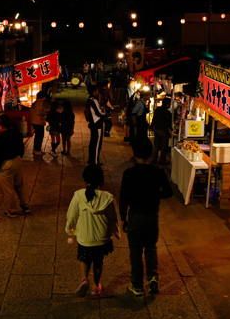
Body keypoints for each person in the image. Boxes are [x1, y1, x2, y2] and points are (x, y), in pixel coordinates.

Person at [120, 137, 173, 296]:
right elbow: (169, 192)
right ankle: (152, 279)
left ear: (134, 153)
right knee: (151, 247)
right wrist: (155, 195)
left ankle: (136, 285)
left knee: (135, 251)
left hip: (135, 214)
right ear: (150, 153)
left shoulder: (129, 173)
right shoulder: (158, 172)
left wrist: (124, 218)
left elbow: (123, 198)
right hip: (152, 215)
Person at [66, 164, 120, 297]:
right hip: (102, 237)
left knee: (84, 259)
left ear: (85, 180)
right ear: (101, 180)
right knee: (98, 261)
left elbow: (72, 215)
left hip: (85, 236)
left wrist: (69, 229)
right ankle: (96, 286)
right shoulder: (107, 198)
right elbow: (113, 218)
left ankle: (84, 279)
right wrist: (116, 232)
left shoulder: (78, 196)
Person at [0, 114, 30, 218]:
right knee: (20, 185)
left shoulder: (0, 139)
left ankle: (12, 210)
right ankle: (25, 206)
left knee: (7, 189)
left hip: (6, 165)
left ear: (0, 126)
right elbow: (22, 148)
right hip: (17, 161)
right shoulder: (17, 134)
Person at [86, 85, 108, 166]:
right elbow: (98, 113)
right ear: (93, 92)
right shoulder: (94, 100)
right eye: (96, 91)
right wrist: (105, 114)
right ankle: (95, 161)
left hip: (92, 124)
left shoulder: (89, 100)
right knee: (97, 143)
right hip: (97, 123)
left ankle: (91, 159)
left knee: (92, 142)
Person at [151, 97, 172, 165]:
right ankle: (162, 160)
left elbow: (154, 119)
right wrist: (171, 129)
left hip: (156, 129)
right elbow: (169, 123)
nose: (170, 105)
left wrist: (152, 126)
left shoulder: (157, 109)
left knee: (156, 146)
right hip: (163, 131)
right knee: (164, 146)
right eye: (170, 104)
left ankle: (153, 159)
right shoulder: (168, 113)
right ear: (167, 104)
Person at [30, 91, 47, 155]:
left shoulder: (34, 103)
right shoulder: (39, 103)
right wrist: (44, 113)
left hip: (35, 121)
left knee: (37, 136)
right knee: (39, 136)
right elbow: (39, 112)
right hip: (38, 122)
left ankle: (36, 149)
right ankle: (37, 149)